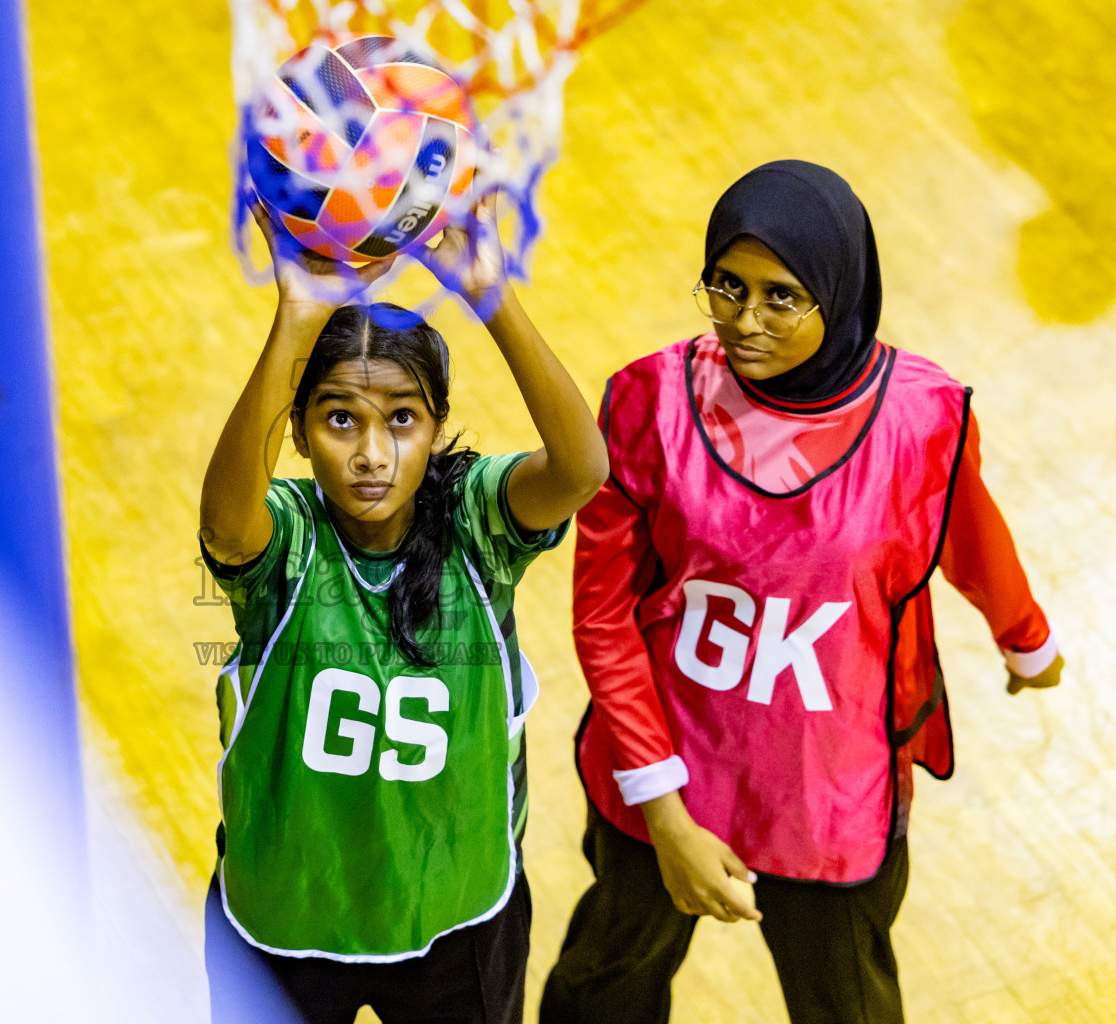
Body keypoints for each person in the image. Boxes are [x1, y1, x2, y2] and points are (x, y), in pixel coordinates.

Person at [540, 160, 1063, 1024]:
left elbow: (968, 535)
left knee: (848, 1005)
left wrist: (1025, 640)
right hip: (665, 767)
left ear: (839, 288)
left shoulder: (924, 417)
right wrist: (666, 816)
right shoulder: (647, 399)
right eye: (726, 286)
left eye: (782, 296)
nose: (746, 320)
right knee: (605, 984)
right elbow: (602, 615)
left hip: (833, 788)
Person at [198, 202, 609, 1024]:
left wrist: (492, 295)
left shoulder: (474, 519)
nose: (372, 452)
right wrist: (297, 316)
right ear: (304, 435)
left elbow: (581, 468)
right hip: (289, 920)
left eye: (403, 421)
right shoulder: (289, 535)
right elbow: (223, 522)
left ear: (436, 428)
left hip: (453, 916)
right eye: (340, 418)